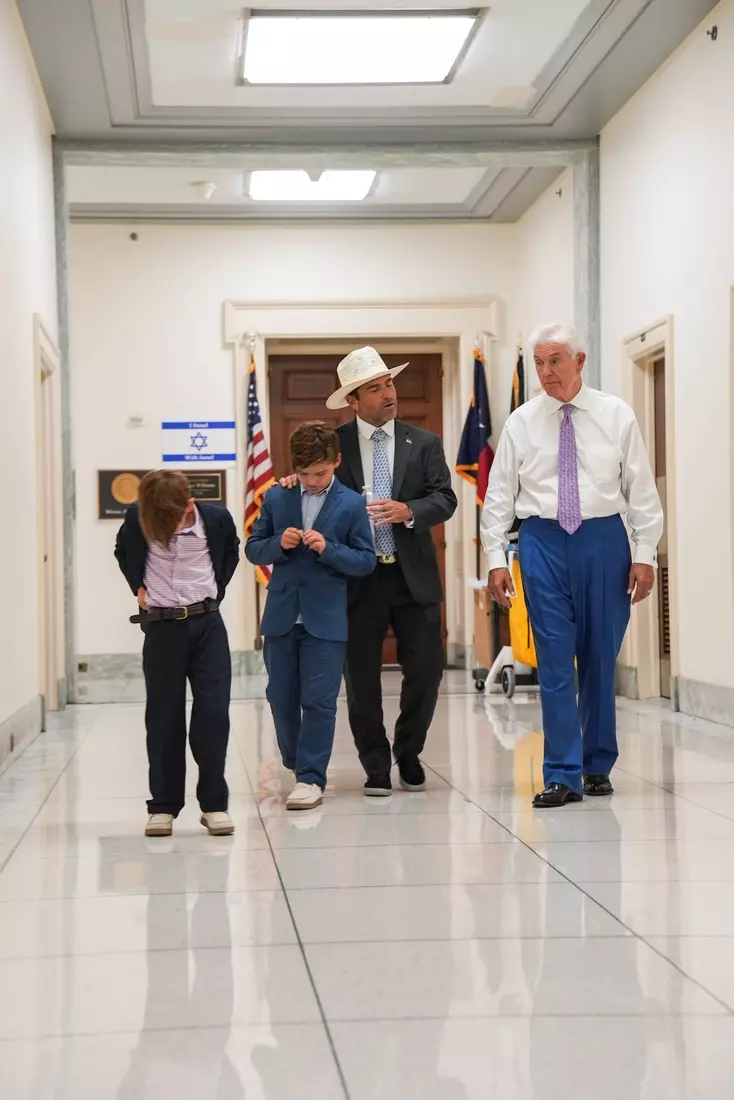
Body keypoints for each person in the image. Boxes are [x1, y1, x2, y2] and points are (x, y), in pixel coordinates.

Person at [481, 324, 663, 807]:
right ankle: (562, 772)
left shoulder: (616, 415)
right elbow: (499, 495)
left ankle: (597, 763)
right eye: (539, 363)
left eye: (555, 361)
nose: (545, 372)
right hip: (541, 541)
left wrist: (645, 554)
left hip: (603, 541)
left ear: (580, 361)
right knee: (555, 658)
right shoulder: (521, 422)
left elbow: (641, 491)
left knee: (600, 656)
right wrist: (496, 558)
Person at [323, 346, 457, 796]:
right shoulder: (335, 445)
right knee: (361, 678)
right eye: (374, 388)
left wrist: (409, 510)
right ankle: (375, 763)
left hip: (412, 576)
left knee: (427, 670)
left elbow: (445, 498)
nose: (388, 394)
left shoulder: (424, 443)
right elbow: (311, 487)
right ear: (353, 401)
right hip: (358, 578)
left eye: (389, 384)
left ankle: (409, 751)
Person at [246, 422, 376, 810]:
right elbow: (253, 549)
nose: (312, 481)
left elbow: (366, 560)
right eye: (304, 474)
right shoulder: (277, 496)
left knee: (319, 701)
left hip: (326, 619)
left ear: (336, 461)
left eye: (319, 473)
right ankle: (296, 761)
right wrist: (278, 544)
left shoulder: (351, 504)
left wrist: (329, 549)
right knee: (280, 697)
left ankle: (311, 777)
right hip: (281, 617)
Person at [114, 470, 240, 837]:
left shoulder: (215, 519)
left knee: (213, 714)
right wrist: (138, 586)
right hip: (162, 628)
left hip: (207, 625)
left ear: (188, 506)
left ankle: (214, 804)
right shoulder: (137, 518)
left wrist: (214, 592)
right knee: (163, 716)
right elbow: (122, 550)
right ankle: (163, 806)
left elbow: (230, 553)